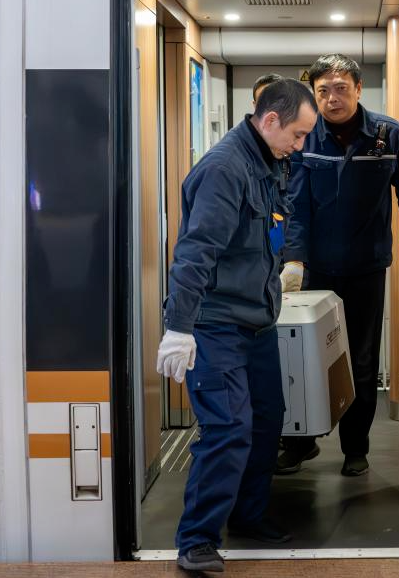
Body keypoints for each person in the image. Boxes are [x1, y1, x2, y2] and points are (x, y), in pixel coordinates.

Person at [156, 78, 318, 573]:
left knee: (267, 420)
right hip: (216, 325)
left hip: (257, 324)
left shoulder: (270, 161)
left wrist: (286, 267)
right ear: (269, 120)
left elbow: (274, 226)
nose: (300, 145)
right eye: (297, 134)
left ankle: (247, 515)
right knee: (228, 428)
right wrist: (178, 326)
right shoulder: (225, 169)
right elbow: (196, 252)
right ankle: (197, 539)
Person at [278, 53, 399, 477]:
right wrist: (294, 261)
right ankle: (300, 443)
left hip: (367, 267)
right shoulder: (305, 136)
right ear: (314, 94)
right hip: (315, 269)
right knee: (301, 355)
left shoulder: (388, 135)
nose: (333, 98)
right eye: (323, 91)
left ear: (358, 89)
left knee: (362, 361)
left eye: (341, 89)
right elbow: (296, 205)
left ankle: (355, 448)